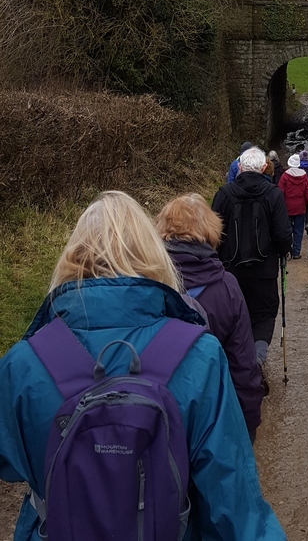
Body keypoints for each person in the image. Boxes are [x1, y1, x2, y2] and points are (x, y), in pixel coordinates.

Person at [0, 190, 286, 541]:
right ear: (153, 254)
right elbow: (235, 506)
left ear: (70, 259)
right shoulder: (200, 356)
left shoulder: (23, 363)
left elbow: (10, 463)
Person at [156, 193, 263, 439]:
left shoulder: (146, 281)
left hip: (157, 419)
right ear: (212, 231)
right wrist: (248, 426)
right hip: (209, 422)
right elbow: (243, 367)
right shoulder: (227, 287)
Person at [212, 146, 293, 392]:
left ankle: (235, 367)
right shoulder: (273, 194)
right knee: (264, 315)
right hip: (264, 272)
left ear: (239, 167)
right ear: (263, 168)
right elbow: (282, 234)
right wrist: (284, 250)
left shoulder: (224, 194)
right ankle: (257, 360)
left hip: (230, 273)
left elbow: (213, 234)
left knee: (235, 317)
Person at [278, 153, 308, 259]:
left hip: (287, 207)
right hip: (300, 207)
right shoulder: (304, 177)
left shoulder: (285, 176)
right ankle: (296, 252)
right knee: (298, 230)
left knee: (287, 229)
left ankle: (288, 250)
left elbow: (280, 192)